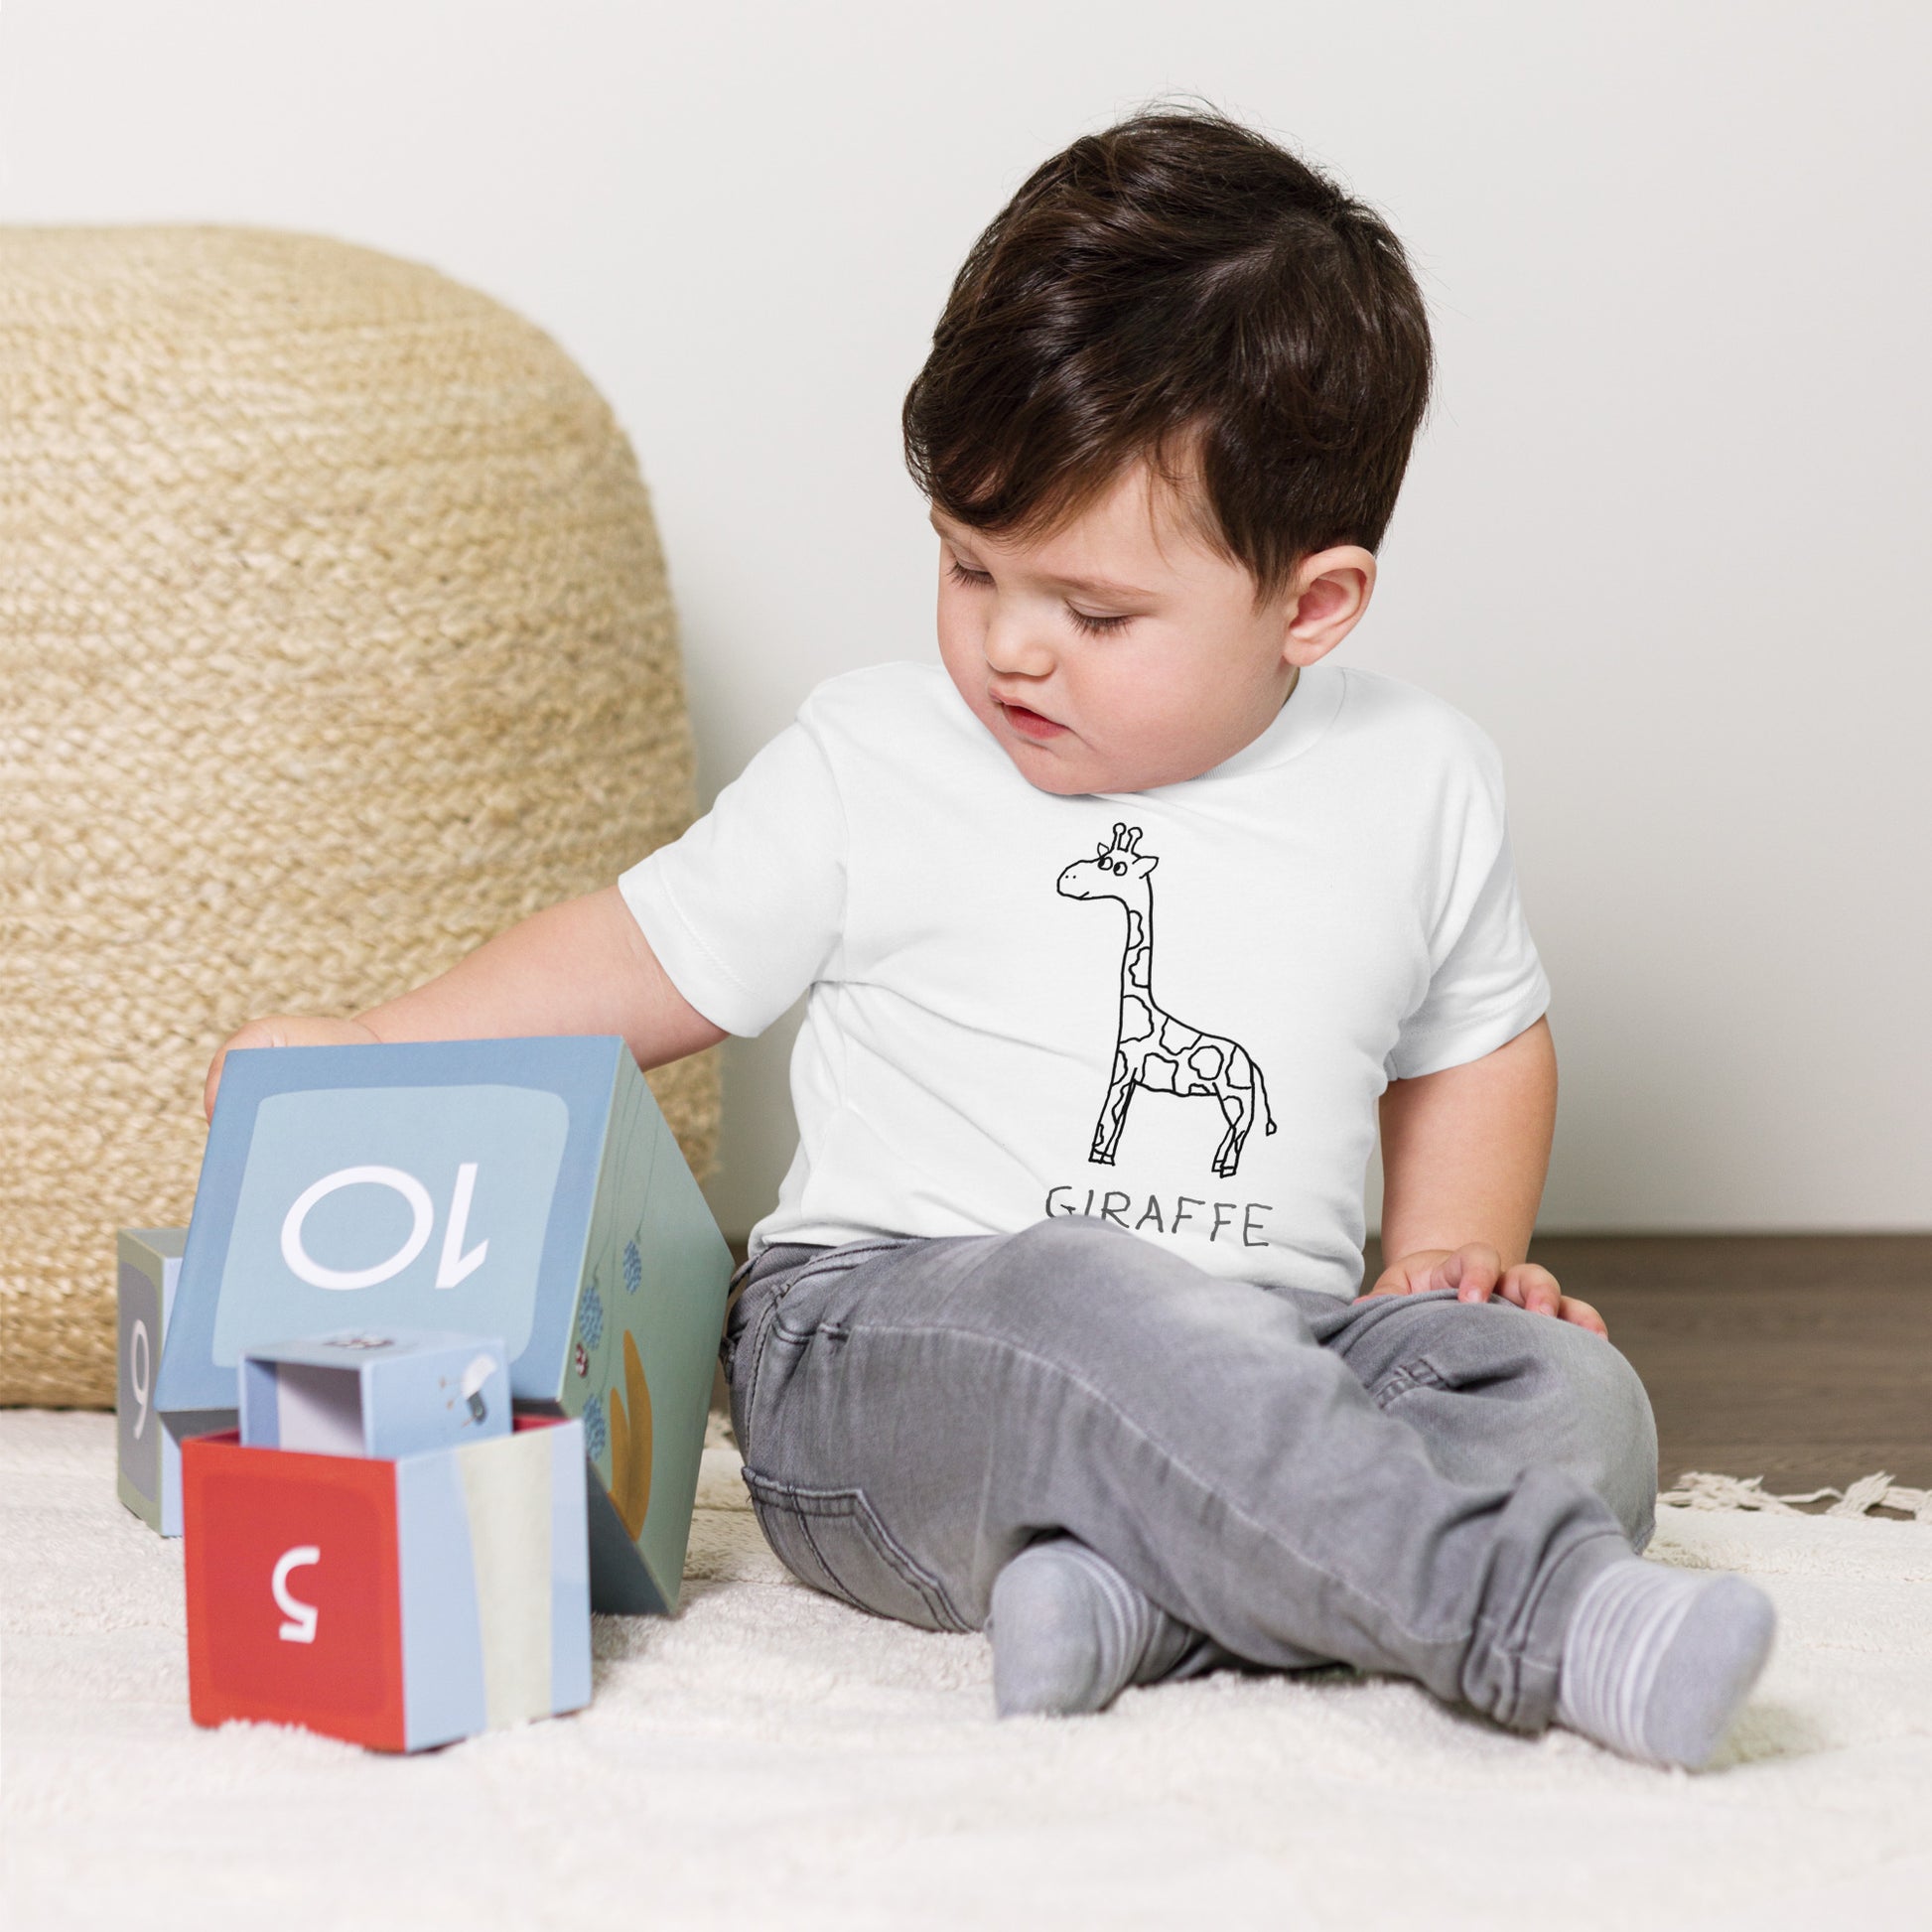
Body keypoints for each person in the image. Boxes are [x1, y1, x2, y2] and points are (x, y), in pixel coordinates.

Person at [206, 108, 1774, 1768]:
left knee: (1570, 1399)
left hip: (1279, 1345)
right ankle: (1519, 1616)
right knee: (1083, 1298)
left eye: (1093, 612)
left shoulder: (1416, 776)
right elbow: (638, 954)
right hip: (892, 1348)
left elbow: (1476, 1034)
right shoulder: (871, 759)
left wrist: (1440, 1261)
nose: (1010, 648)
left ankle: (1139, 1603)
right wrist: (376, 1051)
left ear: (1309, 605)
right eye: (968, 565)